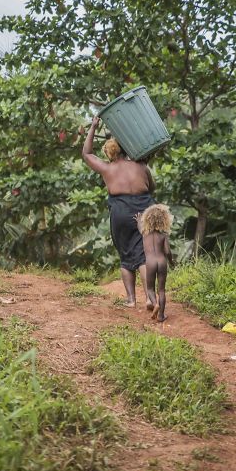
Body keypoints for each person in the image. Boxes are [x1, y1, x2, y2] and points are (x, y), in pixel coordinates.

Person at [82, 115, 155, 308]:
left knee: (126, 255)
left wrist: (93, 126)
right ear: (126, 149)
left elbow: (87, 154)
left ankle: (131, 300)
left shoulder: (107, 169)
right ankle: (150, 297)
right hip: (144, 210)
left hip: (120, 212)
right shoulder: (141, 166)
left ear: (109, 153)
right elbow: (151, 188)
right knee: (144, 255)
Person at [137, 204, 175, 322]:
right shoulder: (163, 236)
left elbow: (140, 227)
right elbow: (167, 251)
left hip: (150, 262)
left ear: (147, 219)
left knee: (150, 289)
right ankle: (161, 315)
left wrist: (139, 221)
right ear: (164, 220)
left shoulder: (144, 233)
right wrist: (171, 262)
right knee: (161, 290)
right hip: (162, 261)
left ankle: (155, 304)